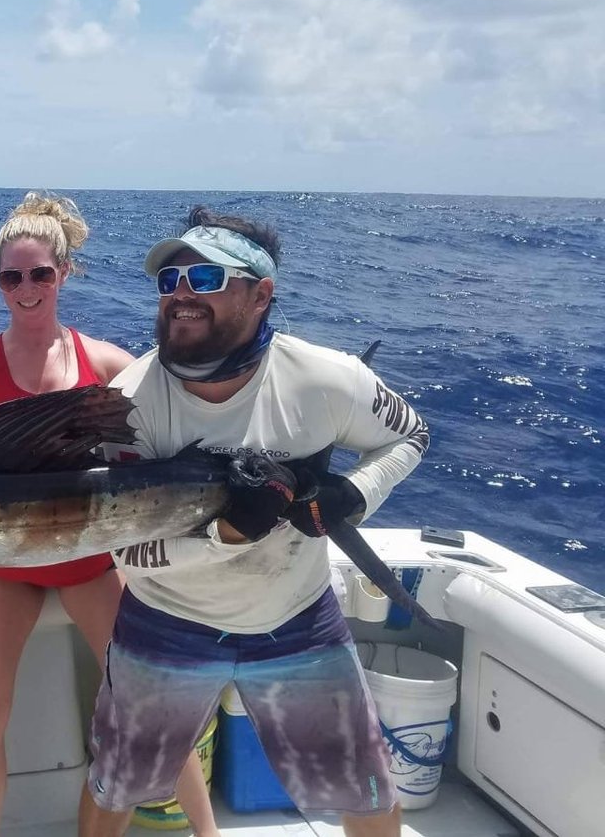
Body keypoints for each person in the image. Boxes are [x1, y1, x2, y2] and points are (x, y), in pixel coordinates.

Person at [78, 206, 431, 837]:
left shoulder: (329, 379)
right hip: (165, 623)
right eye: (170, 281)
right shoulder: (127, 405)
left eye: (206, 278)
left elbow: (410, 435)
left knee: (366, 790)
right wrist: (229, 534)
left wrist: (353, 493)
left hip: (297, 619)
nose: (181, 293)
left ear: (261, 294)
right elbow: (126, 550)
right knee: (116, 786)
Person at [0, 193, 217, 837]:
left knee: (152, 704)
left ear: (64, 273)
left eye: (40, 273)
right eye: (12, 276)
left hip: (89, 562)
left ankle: (209, 834)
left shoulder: (105, 363)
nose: (26, 287)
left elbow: (185, 411)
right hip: (1, 565)